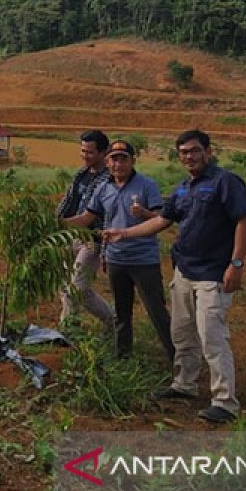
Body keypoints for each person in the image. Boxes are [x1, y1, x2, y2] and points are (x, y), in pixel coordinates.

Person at [103, 129, 246, 424]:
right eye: (183, 152)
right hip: (184, 269)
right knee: (182, 331)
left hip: (214, 273)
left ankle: (225, 401)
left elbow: (243, 220)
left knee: (211, 334)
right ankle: (184, 384)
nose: (189, 156)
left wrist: (236, 262)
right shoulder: (184, 188)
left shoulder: (226, 183)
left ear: (208, 152)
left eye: (195, 151)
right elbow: (161, 220)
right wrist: (124, 233)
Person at [66, 139, 175, 362]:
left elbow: (163, 219)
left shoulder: (147, 185)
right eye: (114, 160)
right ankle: (123, 358)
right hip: (116, 259)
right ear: (107, 162)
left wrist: (144, 212)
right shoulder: (103, 189)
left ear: (133, 161)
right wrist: (58, 224)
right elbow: (87, 218)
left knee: (157, 312)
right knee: (122, 314)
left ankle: (178, 359)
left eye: (123, 159)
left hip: (143, 259)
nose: (118, 165)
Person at [54, 129, 114, 329]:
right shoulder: (82, 174)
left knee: (76, 289)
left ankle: (67, 331)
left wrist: (57, 225)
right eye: (82, 151)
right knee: (67, 288)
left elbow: (90, 217)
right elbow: (68, 201)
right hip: (73, 237)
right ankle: (112, 321)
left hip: (93, 241)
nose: (85, 156)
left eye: (90, 152)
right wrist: (56, 223)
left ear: (104, 152)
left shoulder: (108, 180)